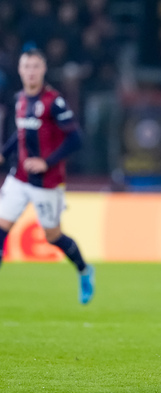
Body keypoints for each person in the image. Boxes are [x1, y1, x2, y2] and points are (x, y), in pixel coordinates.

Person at [0, 48, 94, 304]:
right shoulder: (19, 98)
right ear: (20, 70)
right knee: (1, 228)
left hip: (47, 183)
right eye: (26, 67)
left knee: (53, 236)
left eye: (35, 67)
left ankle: (84, 270)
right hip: (18, 177)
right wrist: (4, 153)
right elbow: (18, 134)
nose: (30, 72)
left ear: (43, 70)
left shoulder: (54, 101)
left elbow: (76, 138)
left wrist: (46, 161)